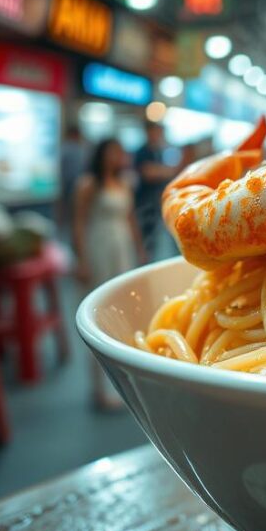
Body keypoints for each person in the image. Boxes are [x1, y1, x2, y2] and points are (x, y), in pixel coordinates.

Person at [73, 139, 145, 409]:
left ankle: (122, 383)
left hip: (121, 245)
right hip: (99, 246)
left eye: (120, 152)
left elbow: (131, 218)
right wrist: (81, 259)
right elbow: (79, 223)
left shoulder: (124, 182)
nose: (118, 157)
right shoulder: (88, 185)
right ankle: (99, 389)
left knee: (121, 309)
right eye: (113, 152)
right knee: (97, 312)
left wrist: (139, 248)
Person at [133, 122, 176, 259]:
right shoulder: (143, 152)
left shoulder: (159, 152)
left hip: (156, 206)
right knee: (147, 243)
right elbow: (149, 173)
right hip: (145, 206)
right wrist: (168, 171)